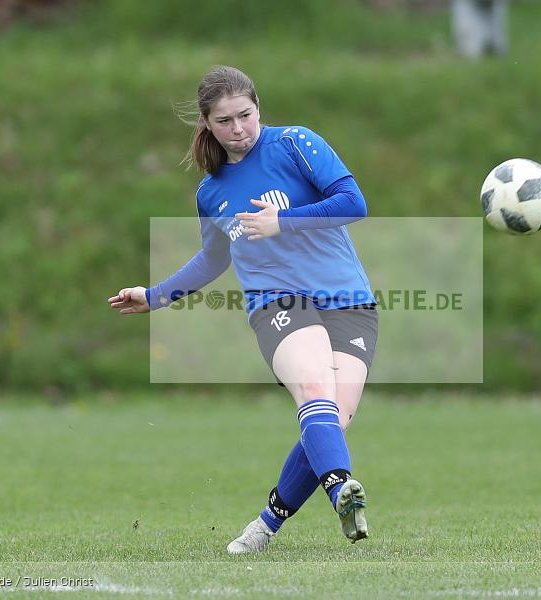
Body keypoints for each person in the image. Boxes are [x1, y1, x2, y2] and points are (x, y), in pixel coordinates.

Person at [108, 65, 378, 554]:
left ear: (259, 109)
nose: (239, 129)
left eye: (246, 116)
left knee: (334, 418)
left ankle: (265, 526)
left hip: (348, 300)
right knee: (314, 389)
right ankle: (343, 492)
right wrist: (155, 295)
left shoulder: (296, 143)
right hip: (276, 302)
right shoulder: (211, 193)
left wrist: (284, 221)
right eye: (226, 121)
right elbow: (212, 260)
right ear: (207, 124)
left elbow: (353, 202)